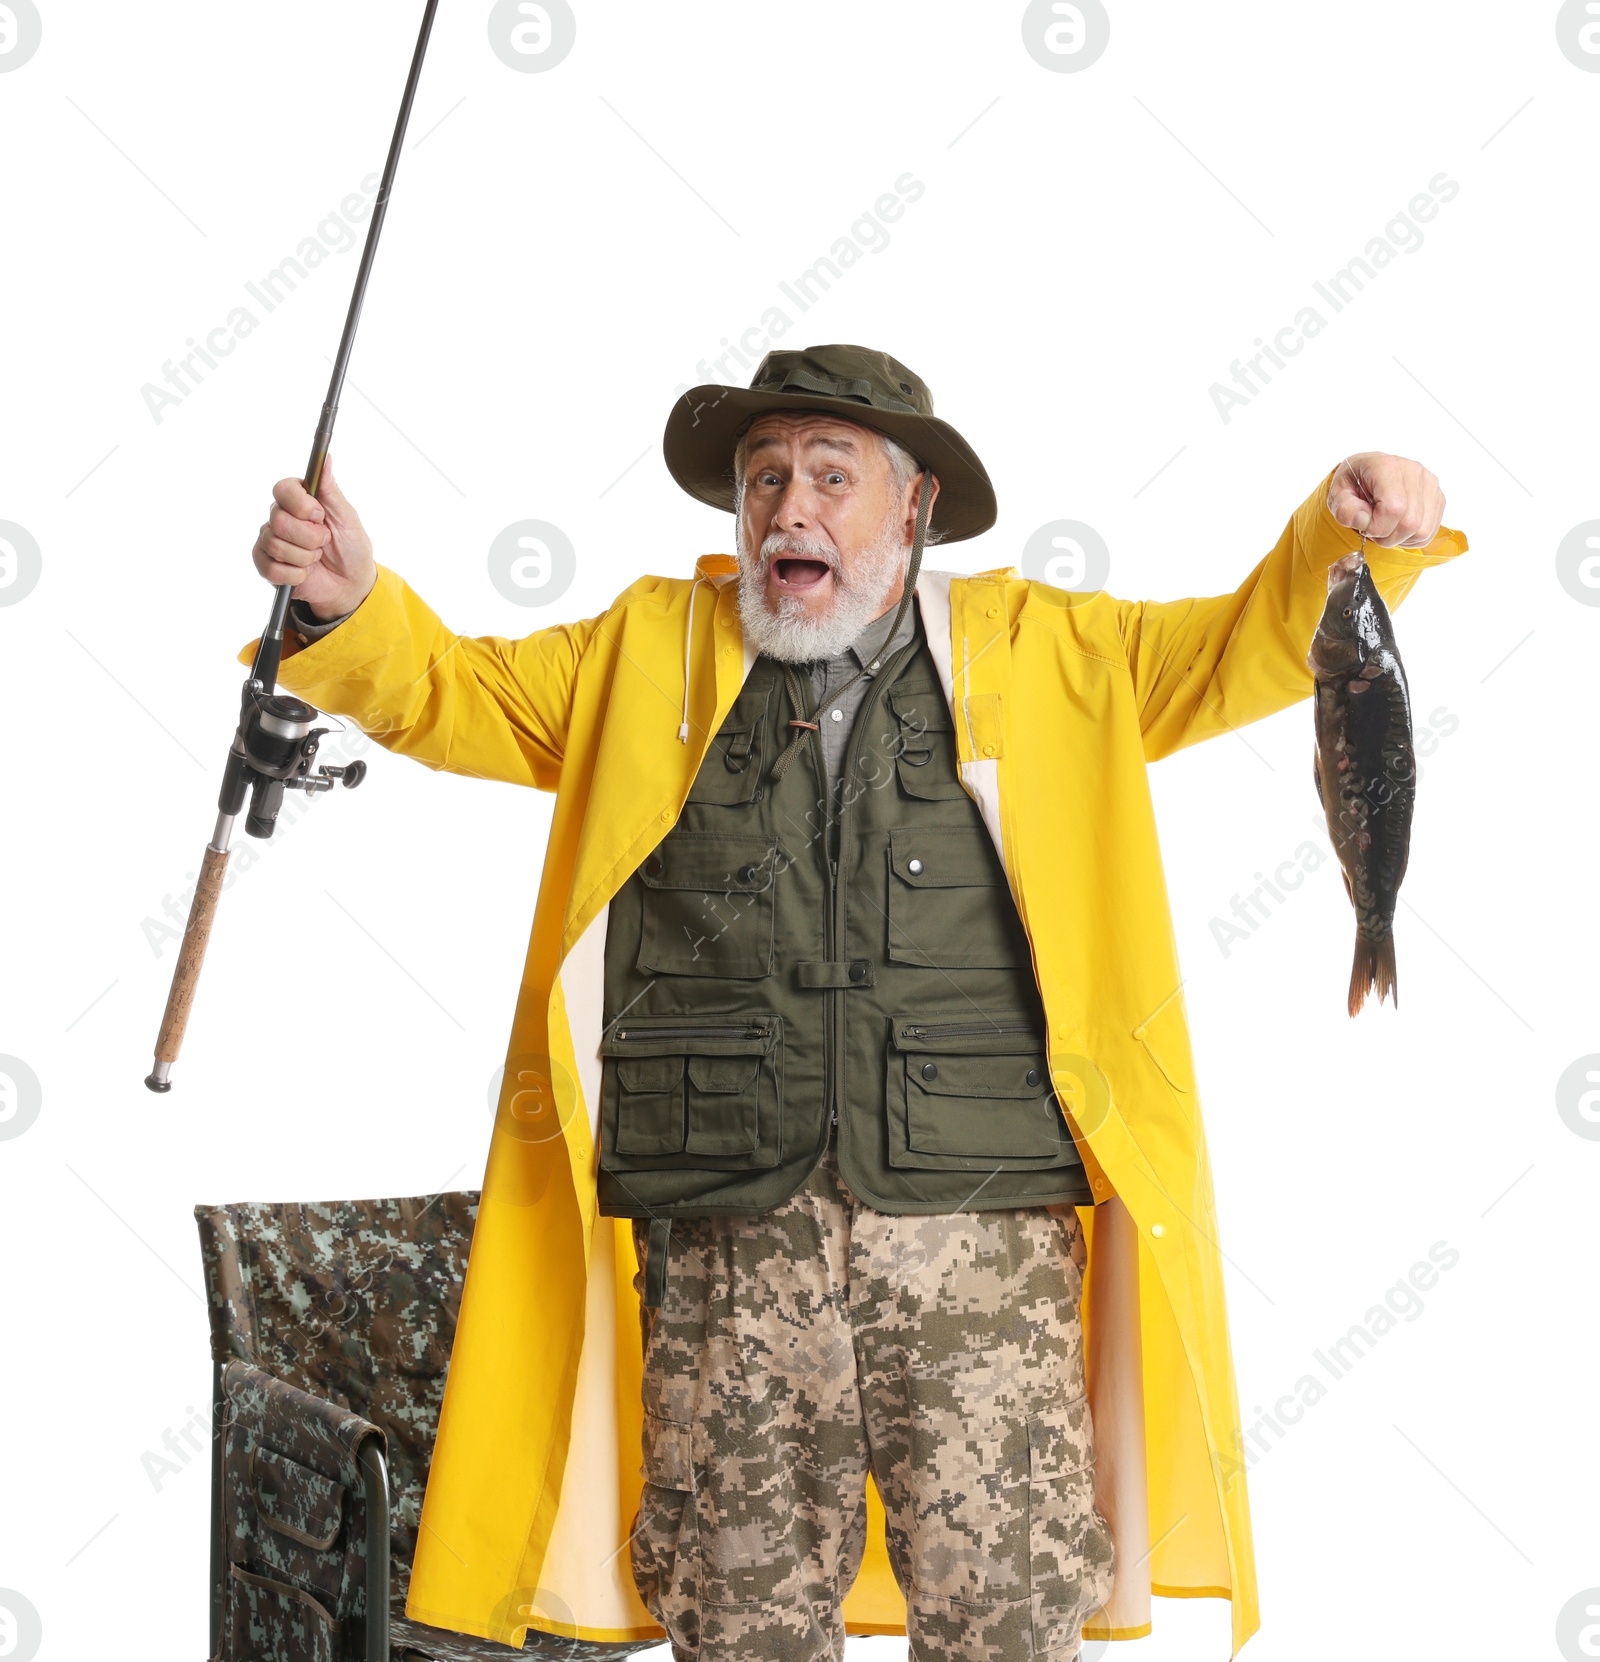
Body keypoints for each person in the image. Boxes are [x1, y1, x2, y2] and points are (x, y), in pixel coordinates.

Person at [248, 344, 1465, 1661]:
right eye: (765, 477)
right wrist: (347, 598)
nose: (789, 508)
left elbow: (1252, 644)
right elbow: (448, 692)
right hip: (725, 1233)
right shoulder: (648, 649)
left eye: (832, 475)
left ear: (918, 503)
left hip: (980, 1227)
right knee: (738, 1613)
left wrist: (1354, 531)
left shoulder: (1047, 653)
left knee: (1007, 1607)